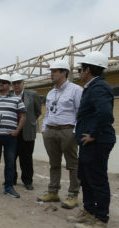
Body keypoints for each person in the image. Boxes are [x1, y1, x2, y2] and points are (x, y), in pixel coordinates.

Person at [67, 51, 116, 228]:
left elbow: (105, 114)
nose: (79, 72)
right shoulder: (92, 86)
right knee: (85, 177)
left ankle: (101, 219)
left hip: (97, 141)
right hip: (89, 142)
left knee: (97, 180)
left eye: (81, 69)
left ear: (88, 70)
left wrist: (93, 134)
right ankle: (89, 211)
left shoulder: (99, 87)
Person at [36, 60, 83, 209]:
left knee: (72, 164)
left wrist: (74, 132)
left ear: (64, 73)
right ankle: (53, 192)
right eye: (51, 71)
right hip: (51, 131)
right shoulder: (51, 92)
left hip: (67, 131)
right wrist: (44, 129)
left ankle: (73, 195)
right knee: (54, 164)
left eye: (55, 71)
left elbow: (80, 112)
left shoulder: (76, 90)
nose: (51, 74)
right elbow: (48, 112)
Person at [11, 73, 42, 190]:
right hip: (12, 131)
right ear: (11, 85)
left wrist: (30, 122)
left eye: (19, 82)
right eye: (14, 83)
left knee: (27, 158)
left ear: (23, 83)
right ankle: (11, 179)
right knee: (11, 157)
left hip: (27, 131)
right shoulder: (9, 96)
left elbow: (37, 111)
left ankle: (27, 181)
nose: (17, 85)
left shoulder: (32, 95)